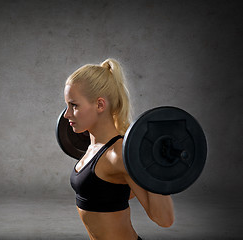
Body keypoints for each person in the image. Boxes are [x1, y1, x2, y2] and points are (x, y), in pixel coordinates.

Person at [63, 58, 175, 240]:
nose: (67, 114)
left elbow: (164, 219)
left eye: (74, 105)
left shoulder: (120, 154)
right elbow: (117, 192)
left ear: (100, 105)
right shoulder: (93, 148)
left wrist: (156, 165)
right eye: (67, 105)